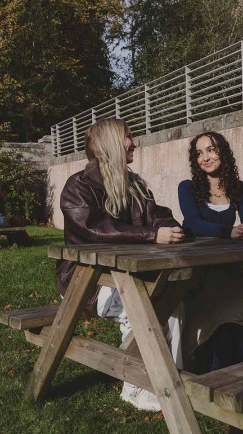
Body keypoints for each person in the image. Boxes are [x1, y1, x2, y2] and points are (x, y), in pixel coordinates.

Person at [57, 118, 185, 411]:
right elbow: (94, 229)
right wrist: (153, 235)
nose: (135, 142)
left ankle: (169, 382)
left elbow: (160, 215)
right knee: (138, 309)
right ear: (112, 143)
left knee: (173, 303)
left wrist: (171, 228)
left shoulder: (136, 185)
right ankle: (136, 388)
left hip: (129, 275)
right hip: (86, 281)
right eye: (129, 137)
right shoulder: (77, 186)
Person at [178, 132, 243, 373]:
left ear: (222, 152)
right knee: (222, 332)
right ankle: (215, 366)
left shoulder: (237, 187)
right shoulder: (188, 188)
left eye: (211, 150)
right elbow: (193, 224)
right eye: (199, 153)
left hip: (232, 267)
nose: (205, 157)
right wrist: (230, 232)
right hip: (201, 271)